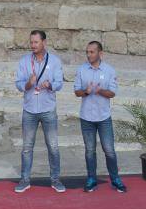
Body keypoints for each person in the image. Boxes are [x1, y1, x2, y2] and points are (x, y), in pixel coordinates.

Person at [14, 30, 65, 193]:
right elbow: (18, 84)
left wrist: (49, 85)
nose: (33, 45)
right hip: (29, 109)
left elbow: (59, 83)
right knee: (27, 147)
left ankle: (56, 179)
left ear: (44, 42)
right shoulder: (24, 61)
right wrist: (29, 83)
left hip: (48, 108)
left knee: (53, 146)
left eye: (36, 42)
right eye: (31, 42)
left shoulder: (55, 61)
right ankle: (25, 179)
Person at [74, 41, 127, 193]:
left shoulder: (110, 71)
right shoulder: (81, 70)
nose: (89, 55)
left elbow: (112, 93)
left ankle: (115, 179)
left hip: (104, 117)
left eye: (92, 52)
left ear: (100, 53)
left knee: (109, 150)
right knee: (90, 150)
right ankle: (91, 179)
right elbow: (77, 92)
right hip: (86, 118)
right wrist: (86, 91)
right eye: (87, 52)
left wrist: (99, 91)